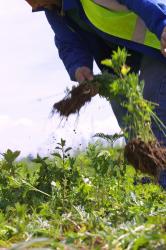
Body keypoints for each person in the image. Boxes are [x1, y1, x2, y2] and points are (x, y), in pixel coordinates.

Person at [26, 0, 166, 188]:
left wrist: (162, 24)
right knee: (122, 107)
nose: (33, 7)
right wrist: (79, 68)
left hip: (155, 41)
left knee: (155, 99)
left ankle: (164, 175)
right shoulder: (53, 10)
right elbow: (68, 43)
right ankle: (152, 171)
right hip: (119, 60)